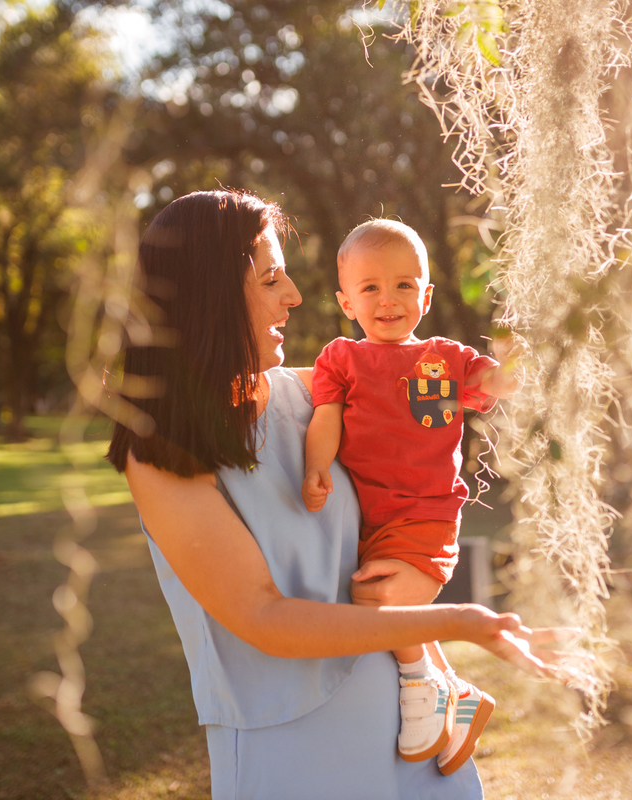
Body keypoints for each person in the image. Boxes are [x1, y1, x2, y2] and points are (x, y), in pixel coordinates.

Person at [107, 189, 567, 800]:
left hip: (415, 737)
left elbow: (446, 397)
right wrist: (458, 619)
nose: (293, 297)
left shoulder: (318, 395)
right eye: (271, 279)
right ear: (208, 294)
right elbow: (263, 618)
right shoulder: (162, 454)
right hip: (293, 752)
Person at [301, 219, 514, 776]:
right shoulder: (340, 359)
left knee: (382, 602)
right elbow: (325, 418)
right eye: (370, 287)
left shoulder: (447, 358)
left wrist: (519, 365)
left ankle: (424, 683)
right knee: (375, 597)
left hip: (427, 511)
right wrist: (315, 466)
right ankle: (458, 695)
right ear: (347, 300)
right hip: (369, 519)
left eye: (404, 285)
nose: (388, 299)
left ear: (426, 294)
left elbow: (495, 383)